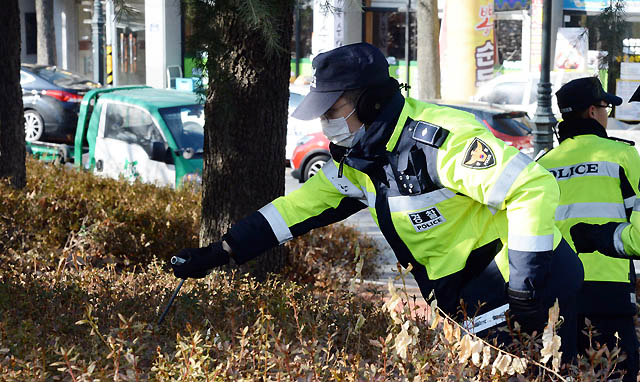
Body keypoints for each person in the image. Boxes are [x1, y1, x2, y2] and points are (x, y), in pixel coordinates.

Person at [171, 43, 583, 361]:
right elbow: (295, 211)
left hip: (528, 284)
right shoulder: (360, 161)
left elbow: (532, 187)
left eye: (333, 109)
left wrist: (525, 288)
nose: (325, 123)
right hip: (471, 294)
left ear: (368, 102)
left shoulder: (438, 139)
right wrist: (220, 251)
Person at [537, 77, 639, 381]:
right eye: (606, 107)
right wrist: (602, 237)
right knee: (615, 372)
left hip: (556, 296)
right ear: (593, 111)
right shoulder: (621, 156)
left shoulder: (543, 165)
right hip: (609, 292)